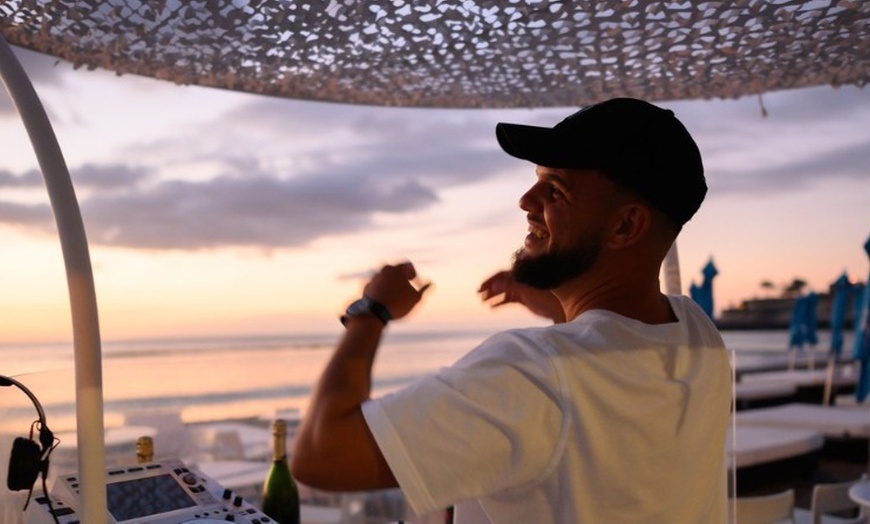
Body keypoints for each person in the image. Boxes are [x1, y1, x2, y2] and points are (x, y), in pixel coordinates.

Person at [291, 98, 732, 523]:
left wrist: (371, 310)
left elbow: (319, 454)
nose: (526, 200)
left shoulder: (531, 373)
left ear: (625, 225)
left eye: (555, 190)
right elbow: (604, 357)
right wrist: (555, 304)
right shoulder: (697, 334)